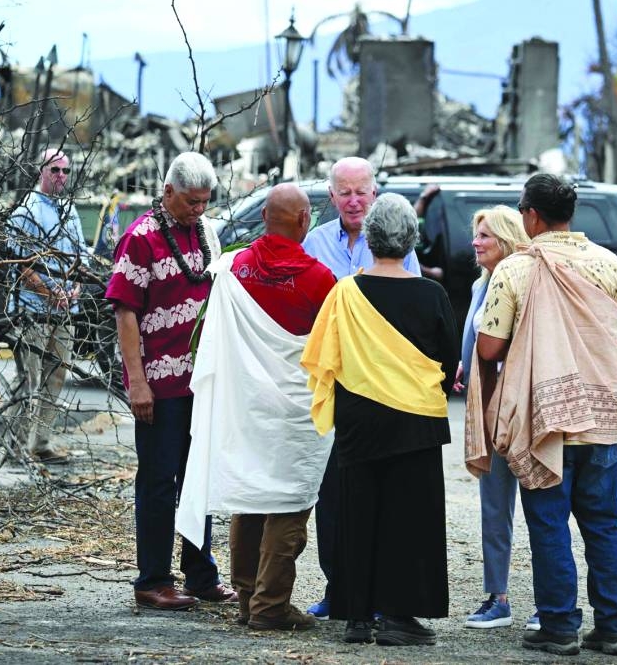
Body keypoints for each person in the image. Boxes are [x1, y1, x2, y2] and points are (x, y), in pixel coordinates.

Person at [467, 174, 617, 657]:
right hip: (601, 418)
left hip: (546, 416)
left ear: (530, 215)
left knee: (549, 526)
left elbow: (489, 346)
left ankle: (560, 626)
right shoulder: (612, 265)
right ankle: (613, 627)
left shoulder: (517, 271)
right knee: (605, 524)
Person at [175, 183, 336, 632]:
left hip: (244, 404)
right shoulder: (319, 278)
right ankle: (270, 606)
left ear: (264, 217)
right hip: (295, 410)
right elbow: (327, 347)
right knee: (289, 500)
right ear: (304, 221)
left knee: (249, 496)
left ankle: (247, 598)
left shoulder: (234, 269)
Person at [301, 193, 458, 646]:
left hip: (359, 420)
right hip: (415, 421)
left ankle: (355, 616)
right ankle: (399, 617)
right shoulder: (432, 295)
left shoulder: (344, 293)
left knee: (357, 515)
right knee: (409, 520)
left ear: (368, 239)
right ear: (411, 240)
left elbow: (324, 356)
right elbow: (447, 361)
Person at [105, 151, 236, 611]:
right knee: (160, 481)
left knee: (198, 479)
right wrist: (137, 382)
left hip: (201, 380)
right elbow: (125, 313)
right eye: (190, 202)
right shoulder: (139, 238)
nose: (198, 210)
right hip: (160, 384)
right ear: (168, 191)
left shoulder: (207, 234)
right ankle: (153, 579)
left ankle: (201, 575)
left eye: (204, 202)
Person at [300, 156, 422, 620]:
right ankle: (339, 590)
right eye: (344, 192)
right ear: (331, 196)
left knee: (376, 497)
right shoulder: (314, 244)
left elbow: (407, 304)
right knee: (331, 497)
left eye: (361, 191)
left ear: (375, 193)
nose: (354, 201)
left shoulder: (396, 243)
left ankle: (376, 594)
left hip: (381, 389)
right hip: (333, 386)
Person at [453, 205, 541, 632]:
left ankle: (550, 602)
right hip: (486, 403)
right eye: (476, 234)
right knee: (494, 503)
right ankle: (498, 596)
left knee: (542, 504)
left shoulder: (527, 280)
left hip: (522, 405)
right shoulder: (479, 284)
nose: (476, 242)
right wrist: (462, 364)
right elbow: (475, 334)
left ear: (506, 239)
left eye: (485, 235)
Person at [7, 149, 88, 464]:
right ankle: (14, 446)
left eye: (66, 171)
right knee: (30, 377)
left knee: (57, 376)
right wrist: (49, 293)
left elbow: (80, 256)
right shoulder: (26, 211)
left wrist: (76, 288)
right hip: (34, 312)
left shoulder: (70, 210)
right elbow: (20, 265)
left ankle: (40, 443)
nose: (61, 177)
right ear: (41, 170)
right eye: (55, 170)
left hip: (66, 311)